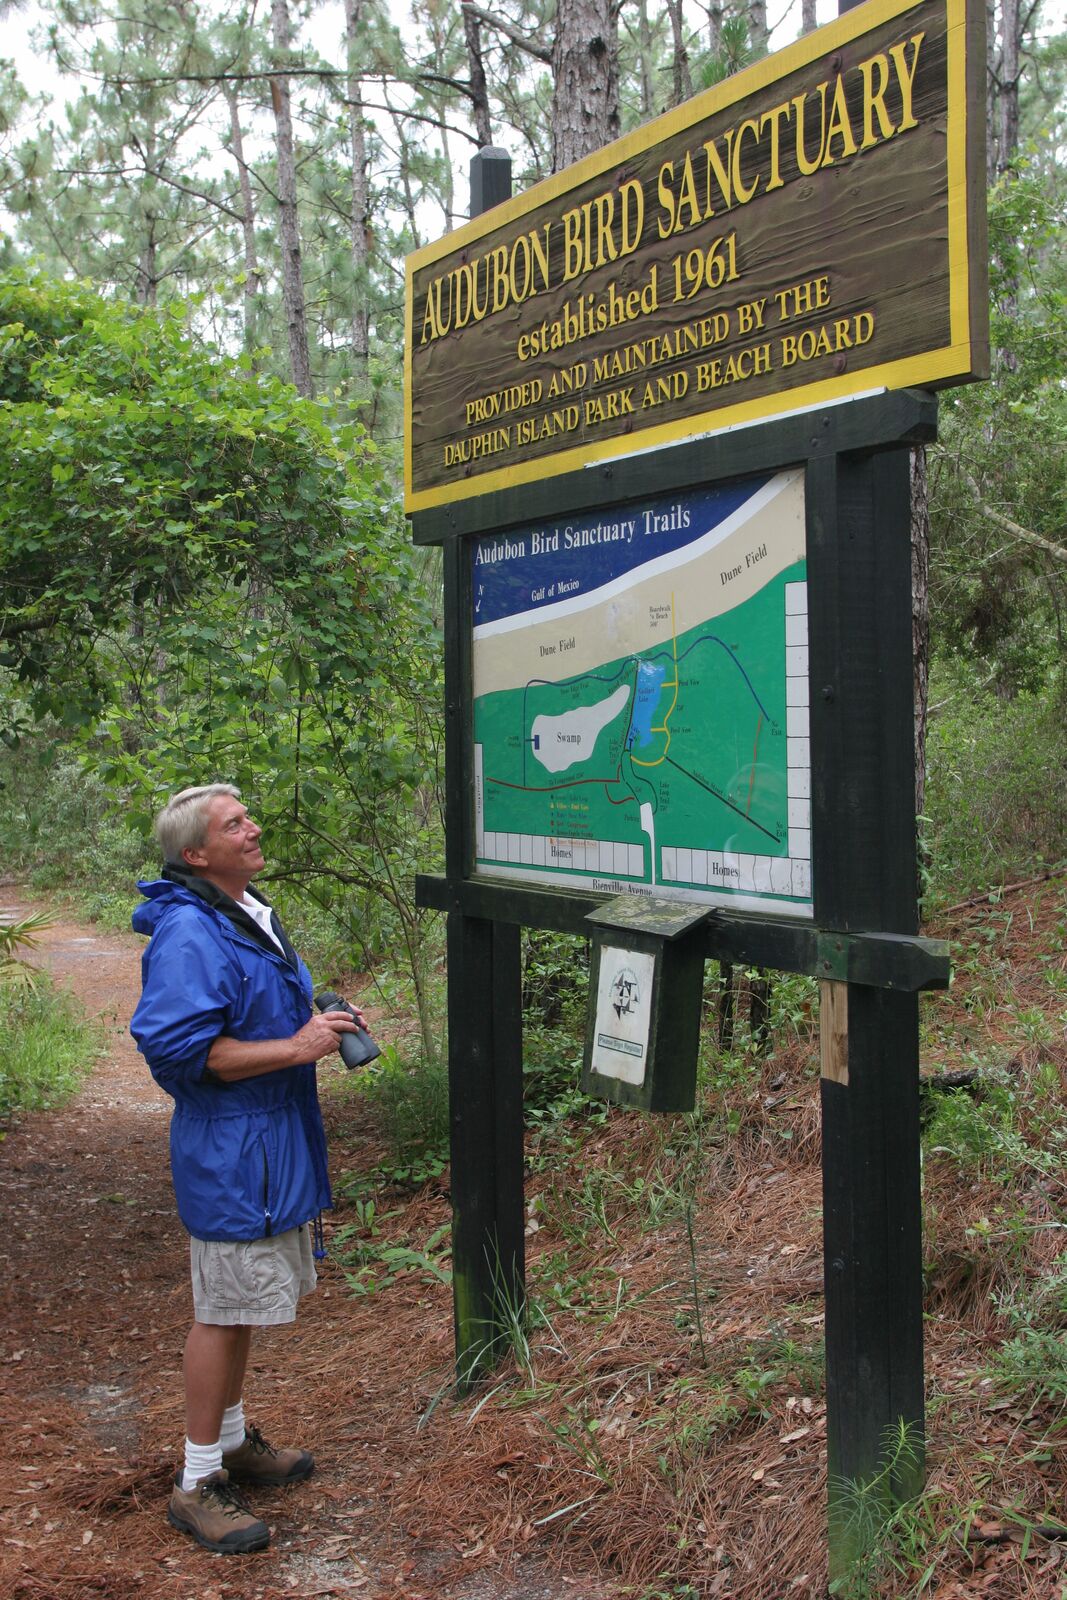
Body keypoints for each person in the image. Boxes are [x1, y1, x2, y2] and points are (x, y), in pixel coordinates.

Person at [130, 783, 364, 1554]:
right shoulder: (189, 934)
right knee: (222, 1310)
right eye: (235, 824)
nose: (253, 827)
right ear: (196, 853)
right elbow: (179, 1052)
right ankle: (198, 1482)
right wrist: (297, 1048)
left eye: (247, 815)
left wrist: (313, 1022)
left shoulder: (248, 913)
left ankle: (230, 1441)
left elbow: (251, 1017)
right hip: (233, 1152)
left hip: (273, 1141)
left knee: (244, 1308)